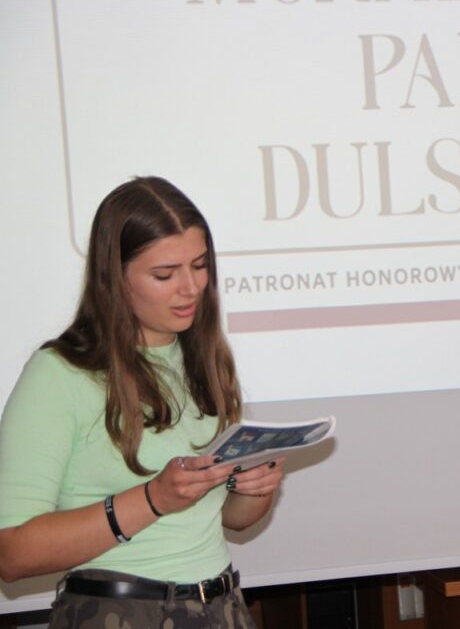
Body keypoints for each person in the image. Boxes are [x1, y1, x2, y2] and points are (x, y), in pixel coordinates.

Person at [0, 177, 285, 628]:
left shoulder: (206, 358)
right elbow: (12, 553)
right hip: (117, 613)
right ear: (115, 279)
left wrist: (254, 490)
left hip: (222, 608)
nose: (191, 288)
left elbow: (232, 519)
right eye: (165, 275)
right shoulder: (59, 373)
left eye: (200, 266)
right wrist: (154, 498)